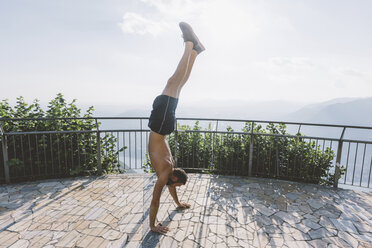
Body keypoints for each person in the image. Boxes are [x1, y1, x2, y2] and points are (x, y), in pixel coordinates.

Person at [147, 22, 205, 234]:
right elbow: (155, 200)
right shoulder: (164, 172)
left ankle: (196, 51)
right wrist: (153, 225)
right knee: (174, 82)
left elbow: (165, 192)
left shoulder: (169, 169)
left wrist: (177, 205)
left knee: (177, 85)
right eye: (176, 185)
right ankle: (190, 44)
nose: (172, 187)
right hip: (160, 126)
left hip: (163, 127)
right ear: (174, 177)